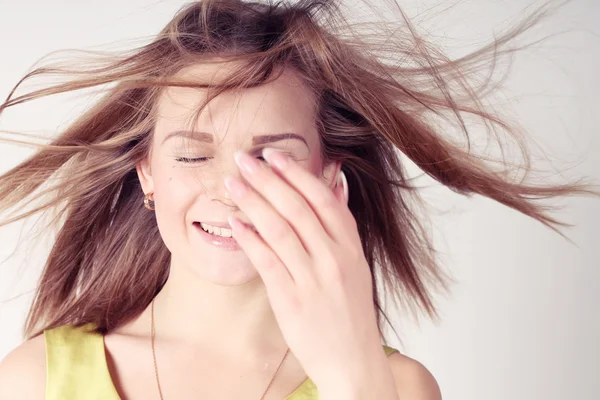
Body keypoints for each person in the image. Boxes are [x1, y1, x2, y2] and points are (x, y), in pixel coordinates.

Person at [0, 0, 594, 399]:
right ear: (147, 173)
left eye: (272, 157)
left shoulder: (396, 385)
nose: (230, 191)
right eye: (191, 154)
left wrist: (352, 372)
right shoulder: (33, 380)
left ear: (329, 179)